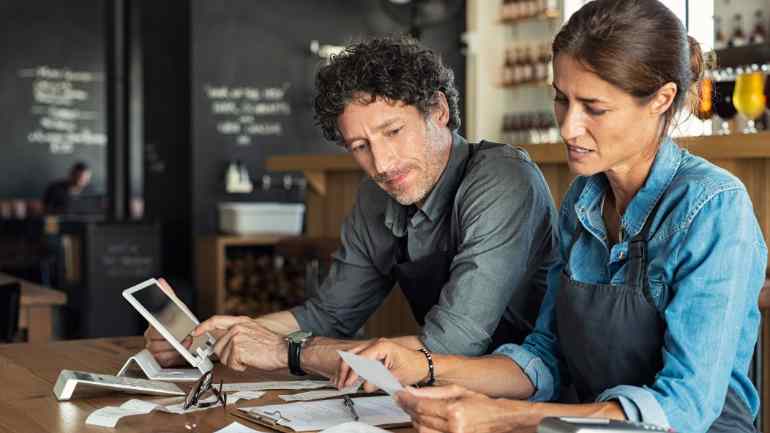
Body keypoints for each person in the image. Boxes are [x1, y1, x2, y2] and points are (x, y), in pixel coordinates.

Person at [336, 2, 768, 433]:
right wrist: (423, 366)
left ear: (661, 99)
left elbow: (684, 409)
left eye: (594, 108)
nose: (567, 127)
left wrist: (506, 417)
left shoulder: (712, 206)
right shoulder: (584, 199)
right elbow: (545, 357)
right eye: (562, 99)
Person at [145, 36, 559, 377]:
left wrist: (286, 352)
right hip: (443, 393)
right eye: (360, 146)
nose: (381, 164)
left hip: (533, 395)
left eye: (393, 131)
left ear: (438, 111)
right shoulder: (376, 195)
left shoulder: (501, 179)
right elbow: (329, 314)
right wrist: (216, 336)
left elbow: (451, 344)